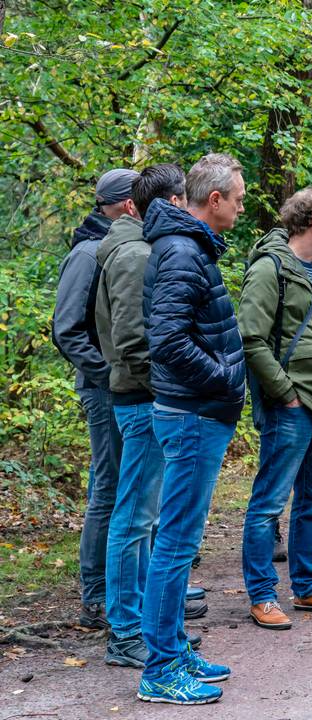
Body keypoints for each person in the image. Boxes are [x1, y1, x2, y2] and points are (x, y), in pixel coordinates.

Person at [137, 153, 245, 704]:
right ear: (215, 199)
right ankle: (159, 669)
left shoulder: (189, 247)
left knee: (180, 541)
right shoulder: (181, 250)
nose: (244, 206)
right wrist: (225, 379)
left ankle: (175, 649)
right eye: (240, 197)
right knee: (175, 545)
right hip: (192, 415)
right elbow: (169, 342)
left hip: (199, 414)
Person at [240, 187, 312, 630]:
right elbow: (251, 338)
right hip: (292, 405)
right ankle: (263, 595)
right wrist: (285, 392)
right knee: (269, 503)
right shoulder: (271, 268)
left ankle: (308, 587)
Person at [94, 164, 188, 668]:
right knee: (133, 519)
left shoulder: (135, 247)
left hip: (144, 397)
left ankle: (147, 625)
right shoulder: (132, 254)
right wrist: (171, 390)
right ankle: (126, 631)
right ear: (137, 205)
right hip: (142, 399)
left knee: (144, 518)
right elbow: (132, 341)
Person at [53, 167, 136, 630]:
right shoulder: (89, 252)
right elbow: (65, 329)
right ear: (127, 204)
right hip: (105, 391)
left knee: (128, 487)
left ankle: (124, 588)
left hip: (122, 387)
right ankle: (96, 595)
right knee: (108, 487)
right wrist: (109, 374)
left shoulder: (115, 247)